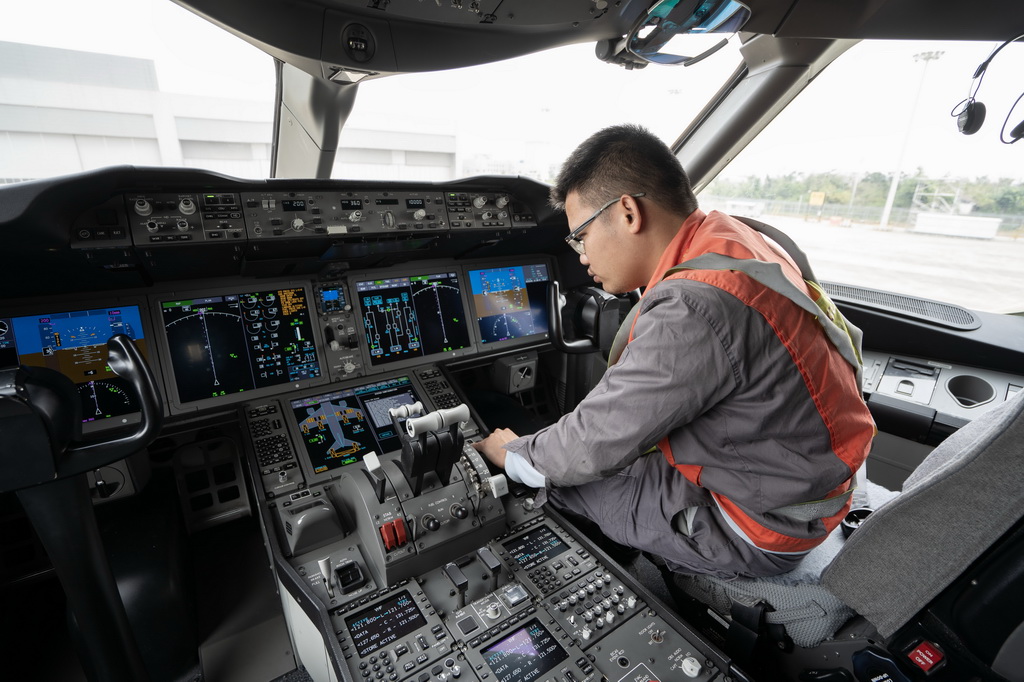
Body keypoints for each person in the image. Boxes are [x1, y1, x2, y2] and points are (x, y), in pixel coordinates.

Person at [472, 124, 875, 578]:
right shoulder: (734, 241)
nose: (580, 256)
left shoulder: (694, 304)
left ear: (628, 212)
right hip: (800, 481)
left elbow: (588, 447)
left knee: (559, 481)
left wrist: (514, 453)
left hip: (762, 526)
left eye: (580, 236)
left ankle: (624, 577)